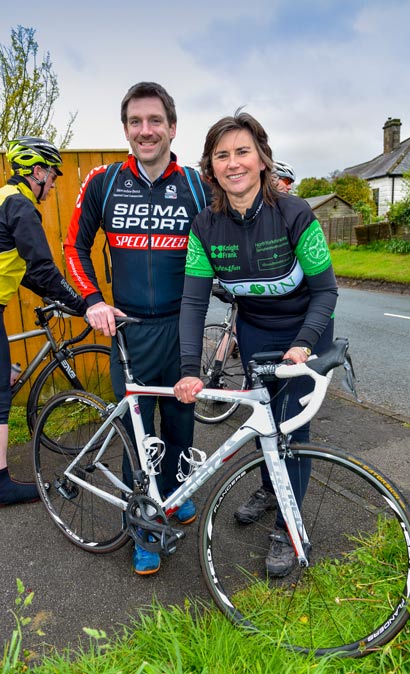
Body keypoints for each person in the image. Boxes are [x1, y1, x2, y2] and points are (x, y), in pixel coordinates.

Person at [174, 111, 337, 577]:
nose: (234, 163)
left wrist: (304, 345)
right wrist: (190, 367)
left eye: (242, 151)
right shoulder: (205, 227)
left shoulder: (294, 213)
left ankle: (291, 525)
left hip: (305, 331)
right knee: (266, 423)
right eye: (222, 155)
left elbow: (326, 291)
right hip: (256, 331)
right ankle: (271, 489)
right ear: (212, 168)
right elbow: (192, 302)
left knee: (292, 431)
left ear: (262, 159)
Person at [64, 82, 210, 576]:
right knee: (138, 434)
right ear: (126, 129)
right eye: (135, 122)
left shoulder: (195, 185)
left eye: (154, 121)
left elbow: (222, 244)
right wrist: (93, 300)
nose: (145, 131)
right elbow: (74, 248)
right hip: (129, 330)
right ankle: (145, 526)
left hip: (183, 327)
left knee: (182, 424)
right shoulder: (102, 181)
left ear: (172, 127)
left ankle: (173, 493)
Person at [0, 136, 86, 507]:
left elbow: (26, 274)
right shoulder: (20, 205)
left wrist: (55, 297)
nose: (53, 184)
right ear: (37, 171)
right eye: (52, 175)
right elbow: (44, 268)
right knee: (1, 394)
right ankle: (1, 484)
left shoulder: (4, 198)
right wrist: (80, 303)